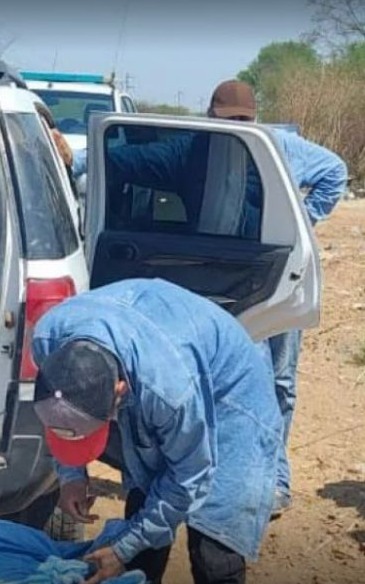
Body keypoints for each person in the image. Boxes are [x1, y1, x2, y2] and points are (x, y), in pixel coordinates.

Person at [70, 80, 347, 515]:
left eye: (244, 120)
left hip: (278, 274)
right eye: (228, 120)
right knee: (219, 382)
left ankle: (273, 480)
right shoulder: (190, 150)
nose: (237, 126)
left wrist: (300, 227)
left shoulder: (278, 146)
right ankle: (199, 473)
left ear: (255, 118)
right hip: (221, 277)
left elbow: (334, 172)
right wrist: (73, 158)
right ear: (210, 117)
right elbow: (119, 159)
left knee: (278, 383)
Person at [32, 278, 282, 584]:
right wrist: (71, 475)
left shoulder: (168, 392)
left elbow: (190, 477)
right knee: (142, 517)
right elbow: (59, 414)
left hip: (230, 397)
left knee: (214, 551)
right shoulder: (48, 338)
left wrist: (123, 548)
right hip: (155, 350)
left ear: (119, 391)